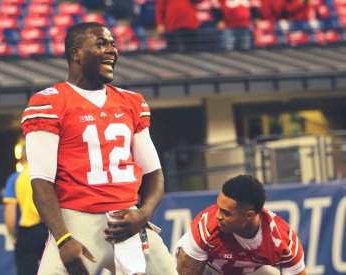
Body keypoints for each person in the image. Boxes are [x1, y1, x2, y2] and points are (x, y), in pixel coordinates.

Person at [21, 22, 177, 275]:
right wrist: (62, 238)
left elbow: (154, 173)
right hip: (78, 221)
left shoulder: (131, 102)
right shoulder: (49, 102)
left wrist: (143, 214)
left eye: (113, 44)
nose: (111, 51)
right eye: (101, 44)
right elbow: (40, 182)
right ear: (76, 54)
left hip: (129, 220)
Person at [174, 175, 306, 275]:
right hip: (207, 268)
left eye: (226, 213)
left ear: (248, 216)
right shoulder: (206, 226)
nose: (217, 216)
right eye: (218, 207)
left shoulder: (283, 242)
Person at [3, 139, 48, 275]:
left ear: (22, 157)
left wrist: (11, 236)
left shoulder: (15, 179)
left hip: (28, 233)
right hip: (50, 230)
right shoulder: (48, 175)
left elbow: (10, 213)